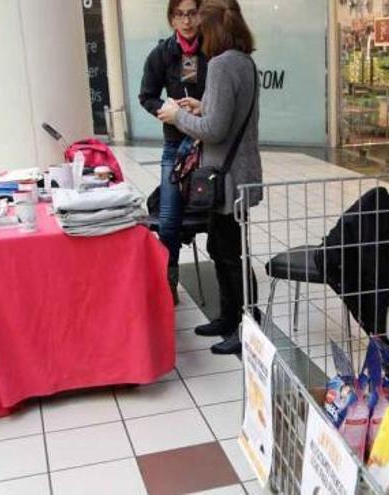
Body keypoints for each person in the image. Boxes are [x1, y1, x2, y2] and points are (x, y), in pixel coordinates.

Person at [157, 0, 261, 355]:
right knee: (223, 248)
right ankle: (229, 318)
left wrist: (176, 115)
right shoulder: (244, 61)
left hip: (225, 179)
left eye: (201, 28)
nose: (197, 35)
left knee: (231, 255)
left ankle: (245, 326)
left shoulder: (220, 64)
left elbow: (214, 130)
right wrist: (200, 107)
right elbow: (226, 116)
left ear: (212, 29)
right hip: (239, 173)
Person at [139, 0, 208, 304]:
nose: (187, 20)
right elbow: (146, 96)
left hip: (209, 143)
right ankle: (170, 277)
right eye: (180, 14)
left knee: (221, 215)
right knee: (168, 217)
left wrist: (204, 107)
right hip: (175, 145)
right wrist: (165, 109)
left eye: (192, 13)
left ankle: (228, 282)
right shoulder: (162, 54)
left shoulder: (214, 51)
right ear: (171, 18)